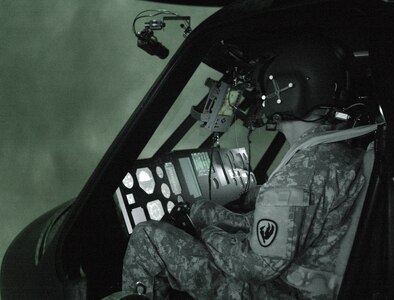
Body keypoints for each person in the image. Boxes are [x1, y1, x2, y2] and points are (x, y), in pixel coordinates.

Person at [121, 37, 367, 299]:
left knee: (147, 236)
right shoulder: (338, 154)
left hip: (280, 291)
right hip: (311, 282)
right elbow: (292, 223)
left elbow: (255, 266)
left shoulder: (298, 175)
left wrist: (207, 233)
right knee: (203, 212)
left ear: (285, 91)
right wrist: (214, 214)